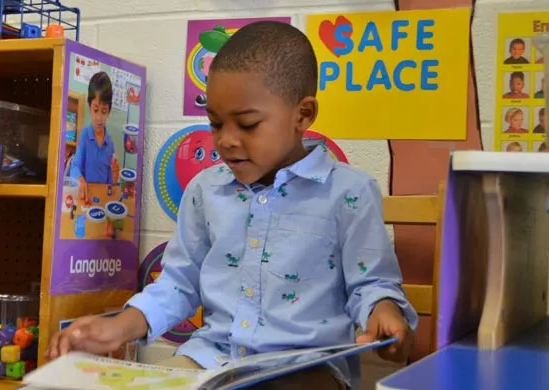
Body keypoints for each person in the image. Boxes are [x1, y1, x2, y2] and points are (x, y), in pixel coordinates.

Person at [46, 21, 417, 389]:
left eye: (248, 125)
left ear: (303, 115)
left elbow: (371, 283)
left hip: (305, 366)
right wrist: (120, 326)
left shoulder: (349, 191)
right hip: (213, 356)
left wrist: (383, 310)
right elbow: (178, 282)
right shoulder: (205, 190)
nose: (226, 140)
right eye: (216, 124)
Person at [69, 71, 118, 201]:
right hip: (86, 198)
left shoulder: (110, 144)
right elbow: (75, 167)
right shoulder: (85, 135)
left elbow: (110, 183)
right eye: (95, 110)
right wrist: (80, 180)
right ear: (89, 106)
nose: (99, 118)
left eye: (104, 112)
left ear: (109, 112)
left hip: (102, 202)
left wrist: (114, 178)